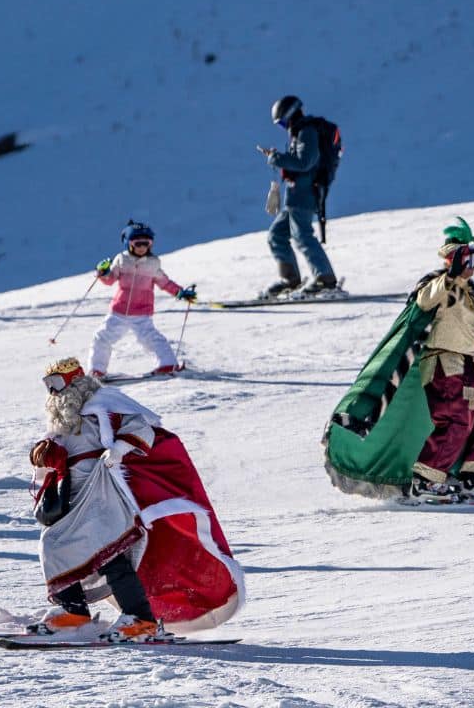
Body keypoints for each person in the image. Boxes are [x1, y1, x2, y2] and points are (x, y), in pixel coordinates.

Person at [28, 357, 244, 640]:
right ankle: (74, 610)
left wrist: (119, 449)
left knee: (108, 548)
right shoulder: (64, 423)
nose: (53, 393)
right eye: (48, 386)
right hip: (75, 497)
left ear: (76, 381)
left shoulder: (105, 405)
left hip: (105, 492)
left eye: (57, 384)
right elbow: (55, 456)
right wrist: (46, 454)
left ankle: (140, 618)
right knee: (53, 544)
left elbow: (142, 426)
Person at [322, 218, 474, 502]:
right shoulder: (435, 285)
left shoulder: (472, 292)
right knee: (455, 418)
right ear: (458, 259)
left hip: (473, 368)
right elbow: (423, 302)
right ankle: (425, 479)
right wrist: (449, 276)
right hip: (444, 366)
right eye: (472, 258)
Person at [89, 221, 196, 378]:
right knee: (102, 338)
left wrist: (180, 292)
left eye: (146, 243)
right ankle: (97, 370)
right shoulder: (121, 260)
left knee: (151, 339)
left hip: (141, 312)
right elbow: (110, 279)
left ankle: (167, 363)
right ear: (129, 243)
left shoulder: (153, 264)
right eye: (138, 243)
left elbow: (164, 282)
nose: (142, 247)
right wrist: (102, 273)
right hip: (119, 311)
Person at [256, 95, 339, 297]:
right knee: (276, 236)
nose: (284, 126)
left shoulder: (307, 132)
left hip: (305, 195)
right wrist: (277, 158)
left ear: (291, 114)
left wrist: (276, 158)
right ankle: (290, 279)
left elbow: (305, 162)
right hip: (294, 197)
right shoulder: (299, 133)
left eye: (283, 122)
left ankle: (325, 279)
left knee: (302, 235)